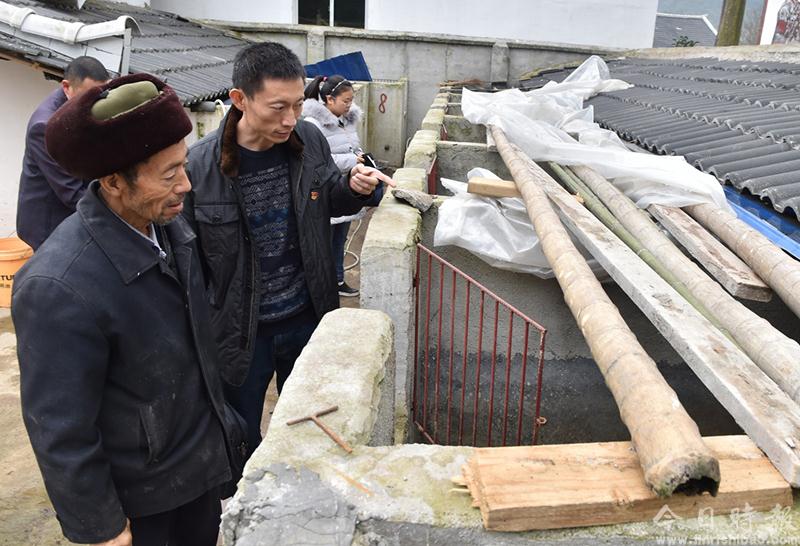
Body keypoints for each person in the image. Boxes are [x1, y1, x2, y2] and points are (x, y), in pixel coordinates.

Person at [13, 73, 246, 546]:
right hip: (141, 501)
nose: (186, 184)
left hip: (195, 472)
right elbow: (60, 429)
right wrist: (102, 528)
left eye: (184, 165)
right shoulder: (57, 286)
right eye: (168, 175)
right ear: (115, 181)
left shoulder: (169, 227)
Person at [184, 42, 394, 458]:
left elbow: (325, 198)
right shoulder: (198, 169)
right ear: (239, 100)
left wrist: (352, 187)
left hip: (307, 314)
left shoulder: (308, 139)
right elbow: (188, 266)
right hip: (242, 332)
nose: (289, 119)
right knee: (240, 433)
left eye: (298, 104)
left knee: (314, 422)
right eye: (277, 107)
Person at [16, 56, 109, 250]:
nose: (94, 104)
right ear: (66, 87)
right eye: (87, 97)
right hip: (48, 222)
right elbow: (72, 193)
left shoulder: (81, 104)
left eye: (99, 96)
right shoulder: (45, 127)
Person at [302, 75, 383, 297]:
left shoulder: (345, 120)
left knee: (340, 241)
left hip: (346, 189)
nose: (349, 105)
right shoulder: (313, 124)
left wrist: (361, 157)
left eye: (351, 100)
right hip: (326, 192)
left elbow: (351, 148)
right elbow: (317, 161)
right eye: (345, 101)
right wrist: (352, 162)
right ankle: (321, 285)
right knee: (323, 244)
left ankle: (337, 280)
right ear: (329, 99)